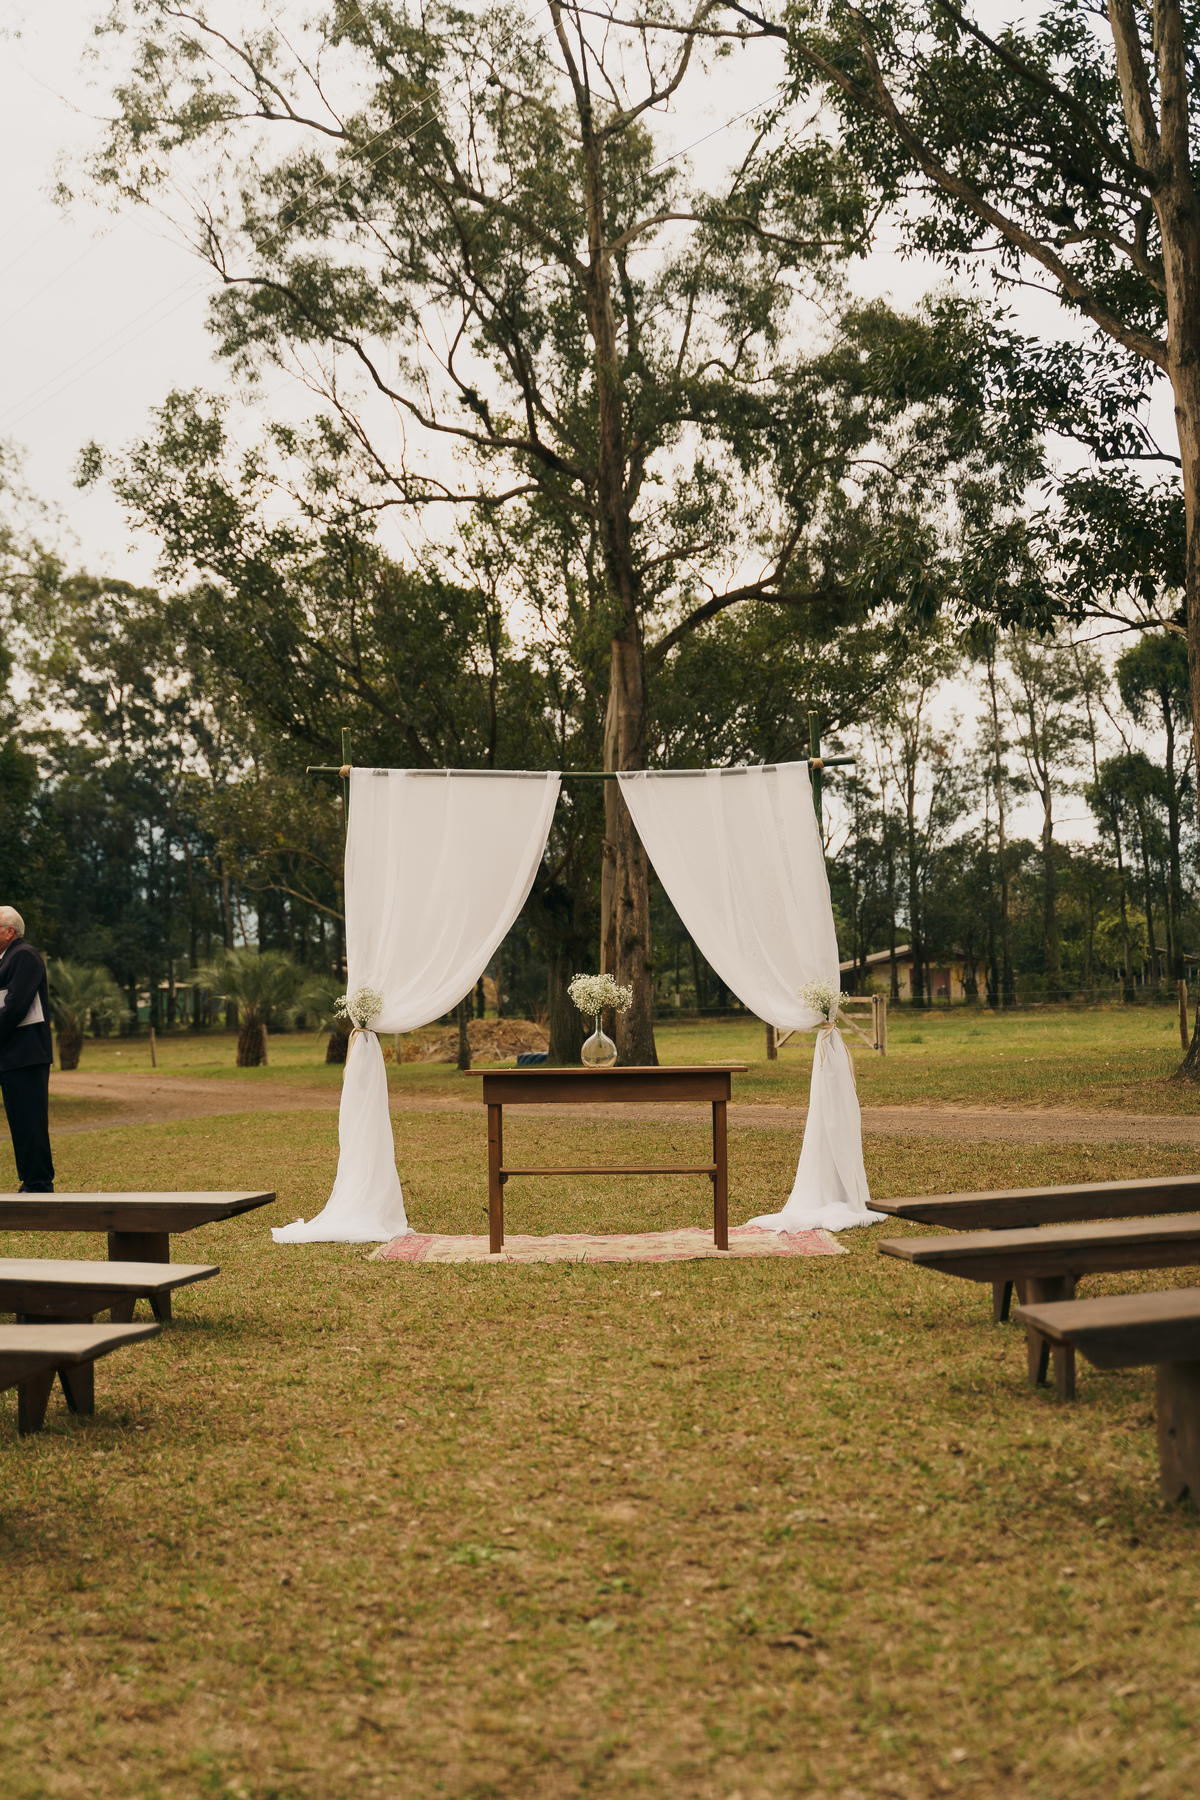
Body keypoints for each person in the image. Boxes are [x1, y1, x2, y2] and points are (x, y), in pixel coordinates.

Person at [0, 905, 54, 1193]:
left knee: (31, 1120)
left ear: (10, 931)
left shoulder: (23, 955)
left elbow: (16, 1006)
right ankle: (30, 1180)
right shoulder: (7, 958)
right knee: (20, 1121)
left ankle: (40, 1183)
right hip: (12, 1054)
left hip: (27, 1054)